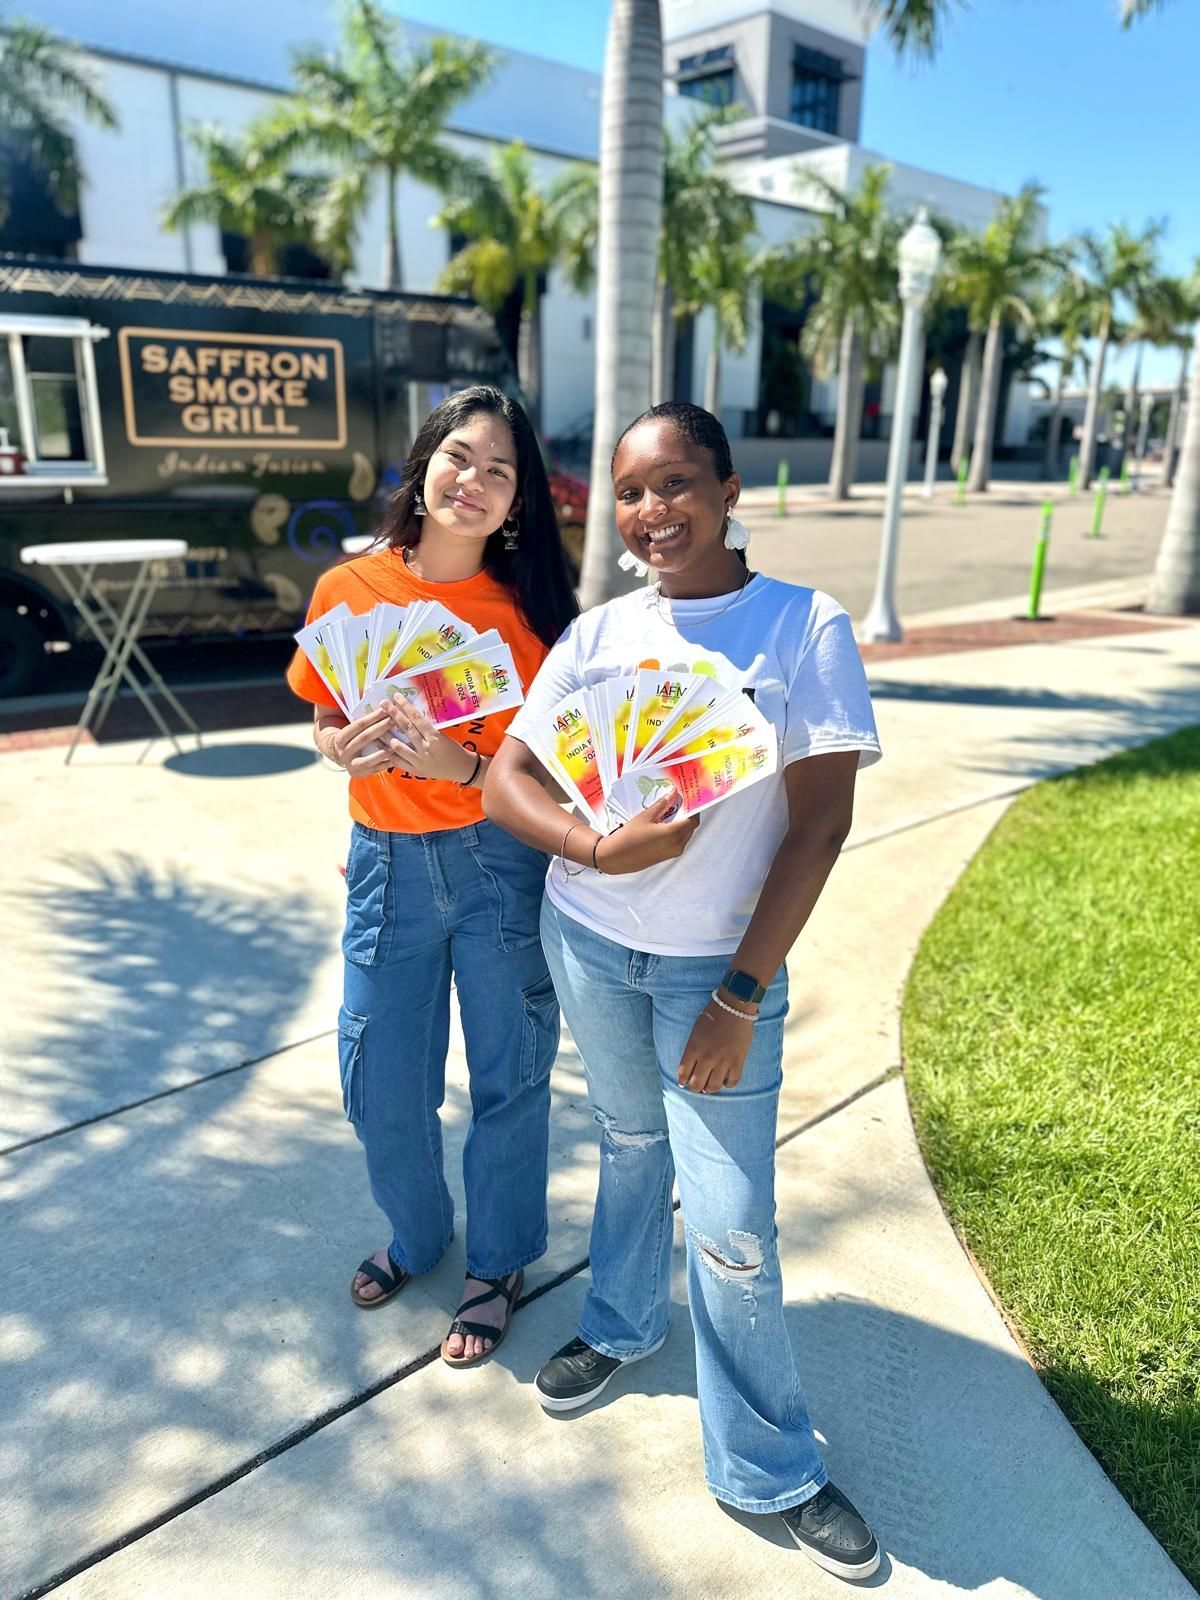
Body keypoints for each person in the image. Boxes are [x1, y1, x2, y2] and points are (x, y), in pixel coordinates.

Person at [484, 402, 883, 1580]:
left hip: (717, 969)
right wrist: (593, 846)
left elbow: (818, 829)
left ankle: (770, 1466)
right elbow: (509, 775)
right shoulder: (602, 633)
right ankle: (619, 1322)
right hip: (590, 938)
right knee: (623, 1138)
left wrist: (741, 995)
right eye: (630, 492)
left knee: (729, 1223)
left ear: (729, 486)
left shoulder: (802, 628)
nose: (653, 512)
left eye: (675, 485)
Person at [287, 385, 578, 1367]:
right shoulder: (349, 593)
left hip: (500, 866)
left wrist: (460, 767)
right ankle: (418, 1234)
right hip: (387, 865)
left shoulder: (525, 616)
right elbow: (324, 716)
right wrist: (343, 747)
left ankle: (496, 1265)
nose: (475, 481)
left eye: (500, 471)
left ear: (517, 504)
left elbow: (541, 777)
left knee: (509, 1074)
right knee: (378, 1080)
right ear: (423, 465)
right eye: (461, 457)